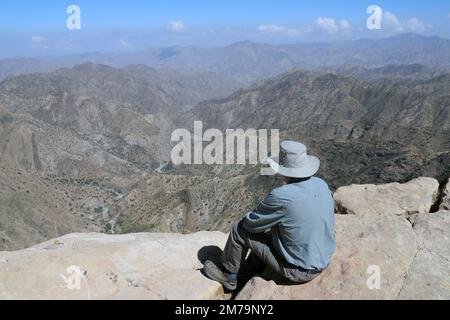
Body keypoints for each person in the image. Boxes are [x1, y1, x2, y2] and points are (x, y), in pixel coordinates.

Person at [202, 141, 336, 291]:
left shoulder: (282, 195)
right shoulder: (321, 184)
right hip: (323, 259)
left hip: (299, 270)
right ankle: (248, 271)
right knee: (272, 230)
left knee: (239, 230)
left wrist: (258, 216)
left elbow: (250, 224)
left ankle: (229, 276)